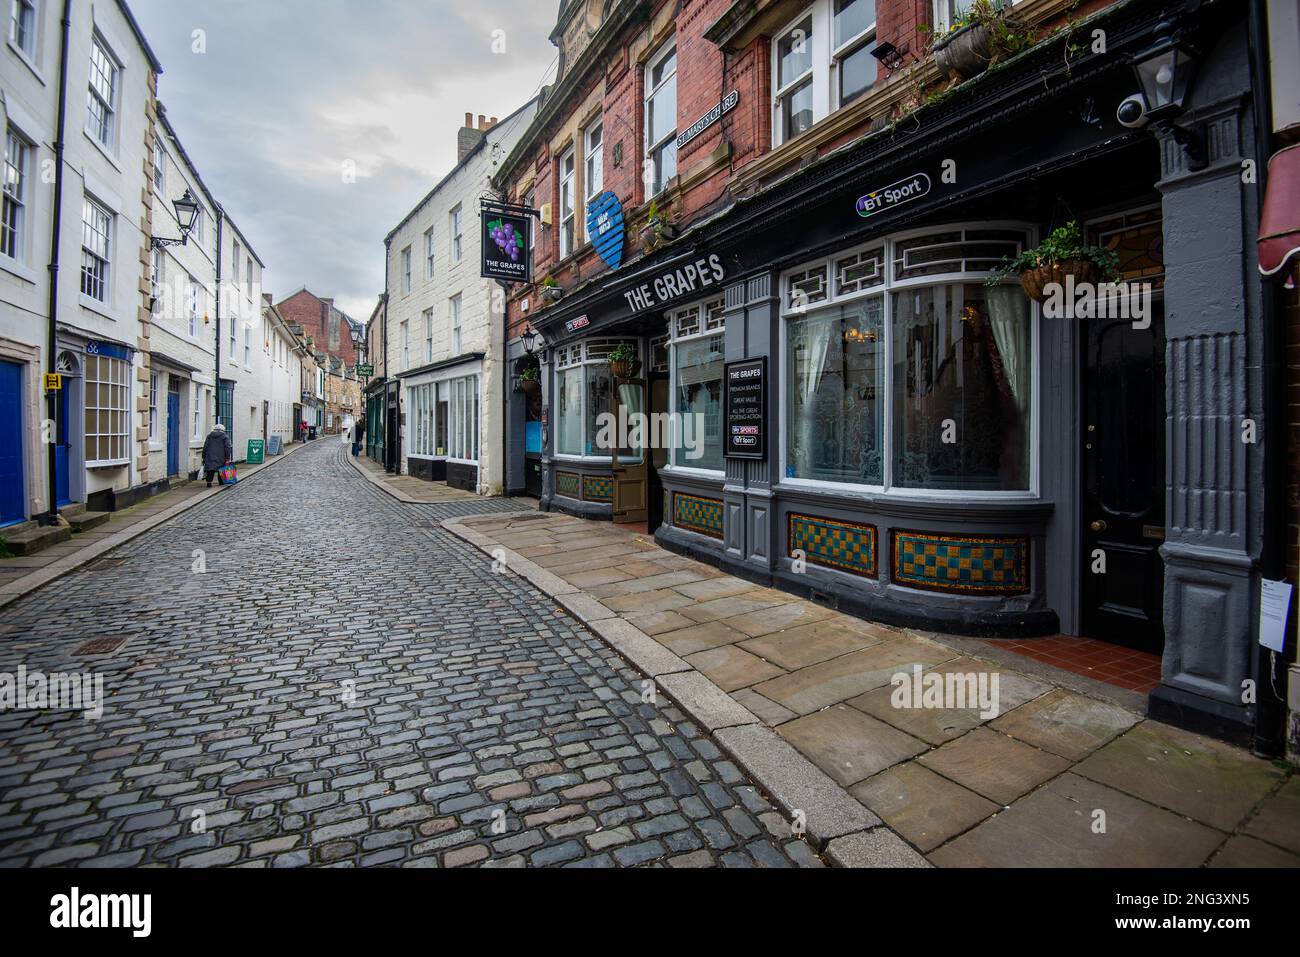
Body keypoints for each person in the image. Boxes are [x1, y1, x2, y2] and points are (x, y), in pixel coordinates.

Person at [203, 423, 234, 488]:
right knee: (221, 469)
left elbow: (205, 446)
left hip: (210, 455)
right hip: (221, 456)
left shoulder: (209, 436)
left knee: (210, 469)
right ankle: (221, 482)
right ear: (223, 430)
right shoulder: (225, 437)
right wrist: (228, 457)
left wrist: (204, 455)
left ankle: (209, 482)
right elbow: (227, 447)